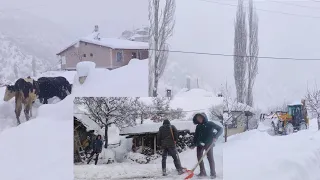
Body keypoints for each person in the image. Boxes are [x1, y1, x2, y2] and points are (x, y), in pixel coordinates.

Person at [191, 113, 223, 179]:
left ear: (203, 117)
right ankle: (202, 172)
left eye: (200, 118)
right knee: (199, 158)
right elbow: (196, 136)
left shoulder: (210, 124)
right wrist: (194, 144)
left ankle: (213, 173)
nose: (199, 119)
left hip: (208, 143)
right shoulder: (198, 126)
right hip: (199, 144)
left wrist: (215, 136)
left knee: (210, 158)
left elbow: (220, 129)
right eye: (198, 118)